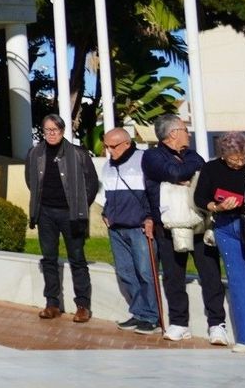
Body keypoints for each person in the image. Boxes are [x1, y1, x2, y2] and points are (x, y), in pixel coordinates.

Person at [143, 114, 229, 344]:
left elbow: (199, 169)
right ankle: (179, 323)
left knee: (210, 274)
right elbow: (175, 173)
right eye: (184, 129)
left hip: (200, 225)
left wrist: (186, 173)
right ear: (172, 134)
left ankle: (216, 324)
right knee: (173, 277)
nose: (187, 133)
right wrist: (185, 174)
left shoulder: (193, 155)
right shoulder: (151, 157)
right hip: (167, 227)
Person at [24, 114, 101, 323]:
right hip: (45, 213)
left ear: (63, 131)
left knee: (77, 259)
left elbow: (92, 184)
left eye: (55, 130)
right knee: (48, 259)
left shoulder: (78, 154)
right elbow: (31, 181)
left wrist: (80, 204)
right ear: (43, 131)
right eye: (48, 130)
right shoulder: (35, 153)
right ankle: (52, 303)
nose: (51, 134)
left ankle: (83, 305)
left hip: (71, 214)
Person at [194, 132, 245, 353]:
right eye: (233, 158)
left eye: (242, 157)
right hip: (226, 227)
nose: (239, 162)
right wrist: (217, 207)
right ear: (223, 155)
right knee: (237, 281)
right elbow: (200, 197)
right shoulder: (211, 168)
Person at [98, 127, 159, 334]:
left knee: (145, 271)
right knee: (125, 272)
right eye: (106, 146)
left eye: (113, 146)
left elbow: (154, 192)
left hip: (139, 227)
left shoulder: (145, 160)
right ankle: (138, 312)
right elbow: (107, 194)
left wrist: (150, 218)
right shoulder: (108, 166)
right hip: (116, 228)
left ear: (126, 143)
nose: (109, 151)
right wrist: (106, 213)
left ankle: (151, 317)